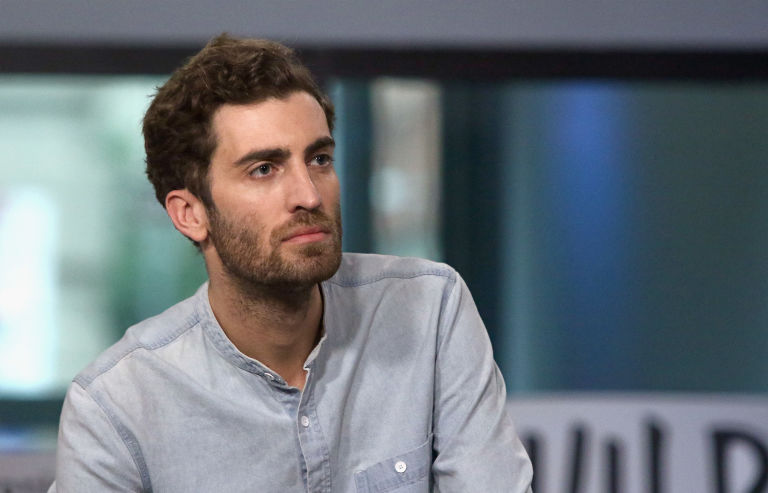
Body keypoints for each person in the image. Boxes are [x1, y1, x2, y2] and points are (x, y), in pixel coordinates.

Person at [50, 34, 533, 492]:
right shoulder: (116, 407)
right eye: (264, 169)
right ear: (190, 214)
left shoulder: (429, 311)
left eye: (319, 159)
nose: (308, 195)